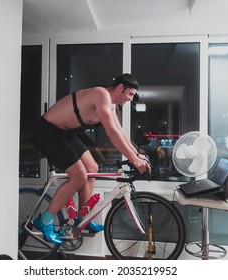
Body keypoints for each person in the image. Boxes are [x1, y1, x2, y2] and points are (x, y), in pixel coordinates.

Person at [32, 73, 151, 245]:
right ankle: (45, 221)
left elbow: (121, 133)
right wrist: (133, 159)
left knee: (92, 168)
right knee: (79, 176)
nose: (130, 99)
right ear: (120, 88)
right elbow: (111, 133)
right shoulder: (101, 94)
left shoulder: (111, 106)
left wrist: (137, 154)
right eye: (130, 94)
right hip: (47, 131)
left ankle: (82, 218)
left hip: (65, 133)